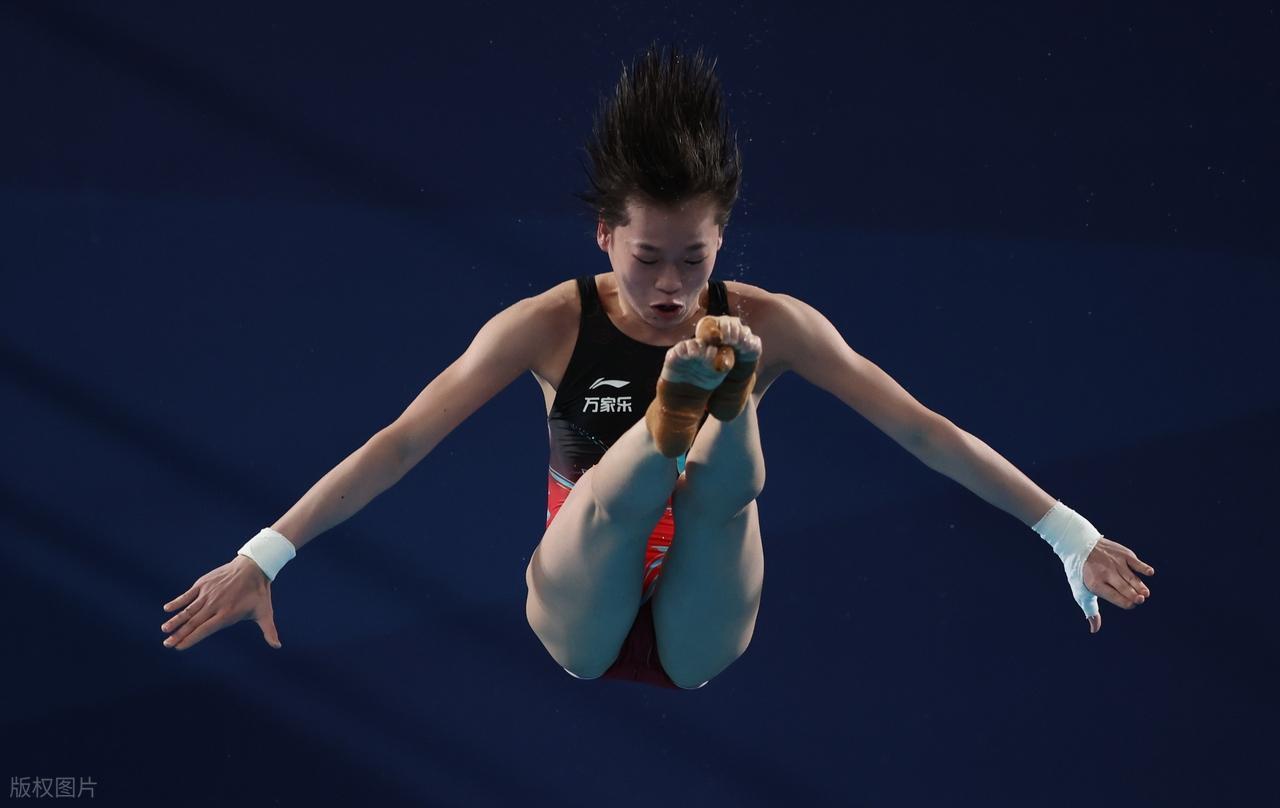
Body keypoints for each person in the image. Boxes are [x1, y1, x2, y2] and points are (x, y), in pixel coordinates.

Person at [160, 43, 1155, 691]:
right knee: (608, 500)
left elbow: (922, 429)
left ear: (722, 239)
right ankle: (695, 409)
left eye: (694, 258)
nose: (672, 284)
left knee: (723, 496)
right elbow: (401, 441)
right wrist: (264, 554)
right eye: (647, 257)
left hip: (700, 613)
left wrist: (1066, 533)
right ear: (604, 234)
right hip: (581, 595)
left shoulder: (775, 320)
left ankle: (717, 404)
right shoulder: (547, 324)